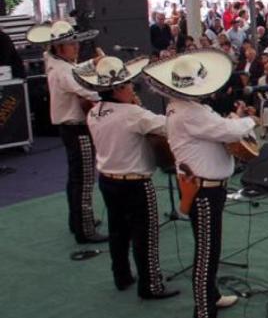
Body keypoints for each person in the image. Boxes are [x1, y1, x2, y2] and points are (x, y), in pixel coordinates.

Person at [143, 49, 257, 318]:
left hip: (204, 186)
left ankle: (213, 296)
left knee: (208, 249)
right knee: (207, 254)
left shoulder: (180, 106)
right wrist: (248, 121)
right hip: (204, 190)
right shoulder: (191, 112)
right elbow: (228, 130)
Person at [74, 56, 178, 300]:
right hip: (135, 182)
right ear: (118, 88)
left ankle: (121, 275)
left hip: (108, 179)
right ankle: (150, 284)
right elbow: (168, 126)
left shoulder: (94, 113)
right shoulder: (133, 114)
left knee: (118, 231)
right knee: (146, 234)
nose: (133, 87)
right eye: (129, 84)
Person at [28, 21, 106, 244]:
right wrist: (113, 88)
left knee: (77, 178)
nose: (76, 48)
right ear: (59, 47)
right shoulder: (62, 70)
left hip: (70, 128)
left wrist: (93, 63)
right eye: (71, 44)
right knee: (84, 179)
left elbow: (78, 70)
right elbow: (85, 89)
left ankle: (78, 220)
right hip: (76, 127)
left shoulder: (57, 63)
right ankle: (85, 229)